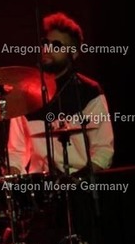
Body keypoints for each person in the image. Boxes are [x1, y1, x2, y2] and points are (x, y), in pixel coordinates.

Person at [7, 12, 114, 177]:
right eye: (45, 43)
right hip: (42, 186)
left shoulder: (89, 92)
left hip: (81, 183)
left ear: (74, 53)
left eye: (56, 45)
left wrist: (79, 180)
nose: (47, 49)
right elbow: (16, 153)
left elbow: (103, 150)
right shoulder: (25, 95)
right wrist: (13, 172)